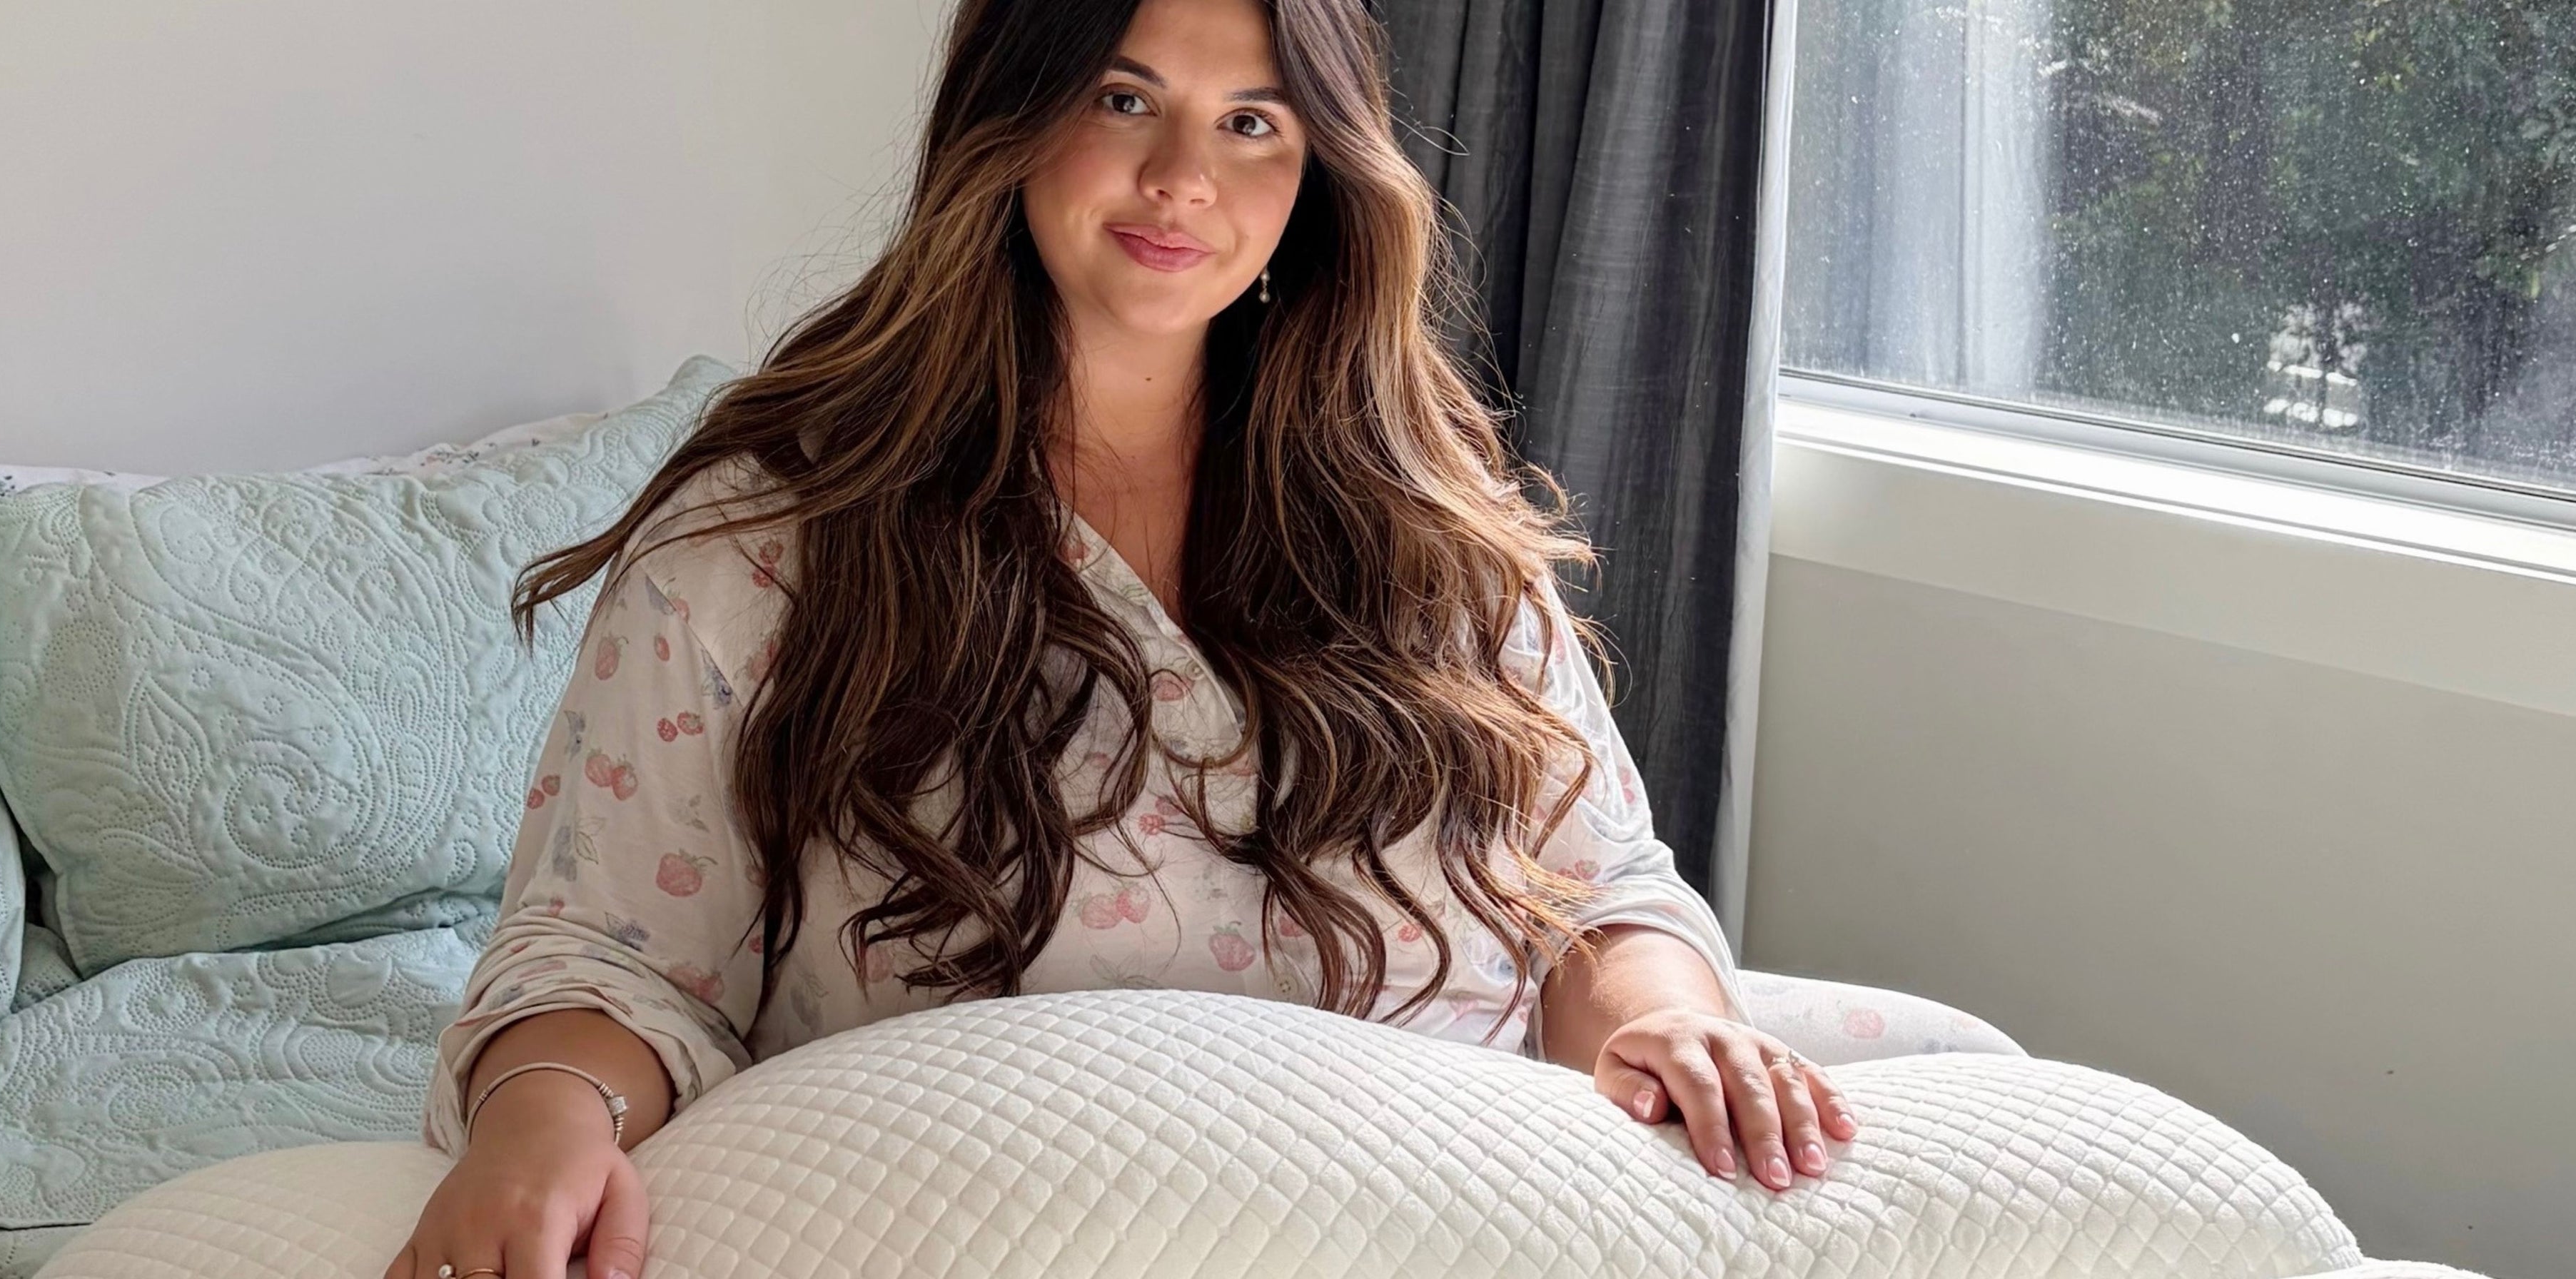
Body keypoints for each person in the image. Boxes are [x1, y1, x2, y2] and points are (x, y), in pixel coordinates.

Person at [386, 0, 1856, 1275]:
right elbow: (610, 958)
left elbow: (1598, 892)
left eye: (1253, 124)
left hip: (1462, 1228)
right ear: (1013, 111)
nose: (1181, 178)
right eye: (1126, 98)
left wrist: (1667, 1021)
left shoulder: (1429, 530)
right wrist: (541, 1115)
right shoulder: (770, 536)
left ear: (1318, 175)